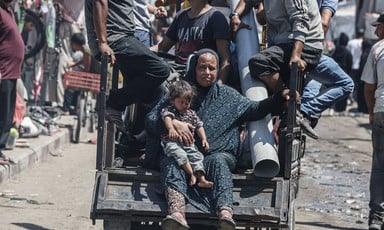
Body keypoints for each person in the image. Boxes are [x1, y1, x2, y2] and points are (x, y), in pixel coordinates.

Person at [145, 49, 296, 229]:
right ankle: (177, 213)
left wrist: (280, 96)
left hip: (216, 156)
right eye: (202, 68)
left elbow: (255, 109)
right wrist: (175, 124)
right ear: (194, 69)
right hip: (184, 156)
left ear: (217, 71)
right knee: (172, 160)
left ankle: (225, 213)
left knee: (218, 161)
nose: (207, 73)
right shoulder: (181, 92)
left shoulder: (228, 96)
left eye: (212, 68)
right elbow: (151, 119)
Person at [231, 0, 354, 139]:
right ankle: (292, 105)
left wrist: (296, 55)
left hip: (303, 45)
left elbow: (301, 20)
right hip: (284, 44)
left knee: (258, 63)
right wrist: (235, 15)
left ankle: (291, 102)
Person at [90, 0, 171, 130]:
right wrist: (103, 42)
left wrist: (153, 10)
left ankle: (131, 141)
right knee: (160, 70)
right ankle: (114, 102)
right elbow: (99, 2)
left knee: (152, 93)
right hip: (116, 38)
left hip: (126, 37)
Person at [157, 0, 231, 84]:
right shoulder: (181, 16)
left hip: (202, 75)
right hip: (178, 73)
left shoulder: (216, 17)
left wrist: (219, 86)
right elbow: (162, 47)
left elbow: (225, 57)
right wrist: (141, 49)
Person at [161, 80, 213, 189]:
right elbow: (167, 118)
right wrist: (171, 129)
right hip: (172, 142)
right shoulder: (170, 110)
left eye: (188, 102)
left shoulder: (191, 113)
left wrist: (204, 139)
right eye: (181, 102)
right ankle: (191, 174)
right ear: (172, 100)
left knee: (197, 157)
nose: (185, 105)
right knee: (180, 154)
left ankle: (202, 179)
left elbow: (199, 125)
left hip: (188, 143)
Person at [361, 13, 384, 230]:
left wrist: (370, 111)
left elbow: (369, 87)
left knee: (379, 166)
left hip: (381, 111)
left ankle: (377, 218)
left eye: (379, 26)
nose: (376, 31)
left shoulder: (377, 49)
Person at [0, 0, 25, 164]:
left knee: (8, 115)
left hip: (12, 72)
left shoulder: (9, 11)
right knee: (1, 113)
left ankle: (0, 150)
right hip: (3, 71)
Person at [331, 32, 353, 114]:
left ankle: (334, 107)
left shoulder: (335, 50)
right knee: (344, 91)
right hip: (345, 73)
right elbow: (350, 63)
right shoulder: (347, 52)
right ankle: (342, 109)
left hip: (335, 73)